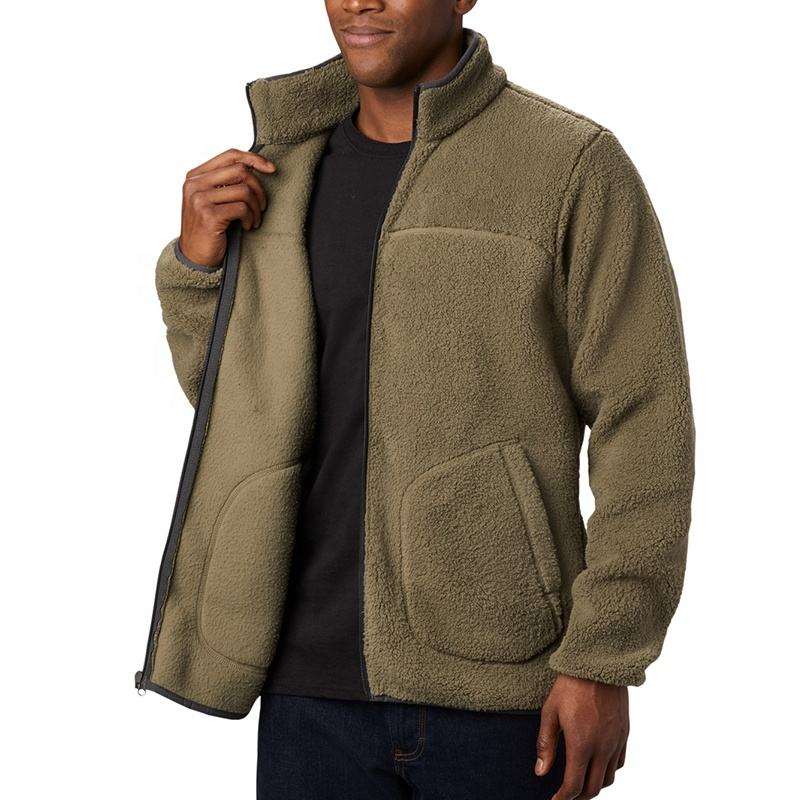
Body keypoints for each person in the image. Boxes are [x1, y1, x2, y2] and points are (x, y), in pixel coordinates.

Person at [137, 1, 694, 798]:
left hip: (502, 685)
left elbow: (646, 419)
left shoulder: (568, 164)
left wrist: (604, 657)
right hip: (306, 687)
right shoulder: (280, 174)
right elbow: (243, 412)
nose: (359, 1)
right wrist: (198, 270)